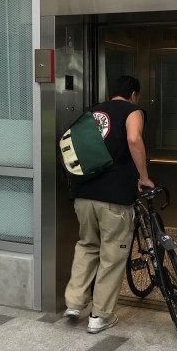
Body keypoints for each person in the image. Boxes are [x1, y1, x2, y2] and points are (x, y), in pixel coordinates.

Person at [63, 75, 155, 333]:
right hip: (114, 199)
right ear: (134, 94)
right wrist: (144, 177)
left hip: (83, 196)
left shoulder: (92, 111)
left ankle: (74, 303)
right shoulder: (133, 111)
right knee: (112, 255)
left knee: (87, 246)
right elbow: (134, 139)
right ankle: (100, 315)